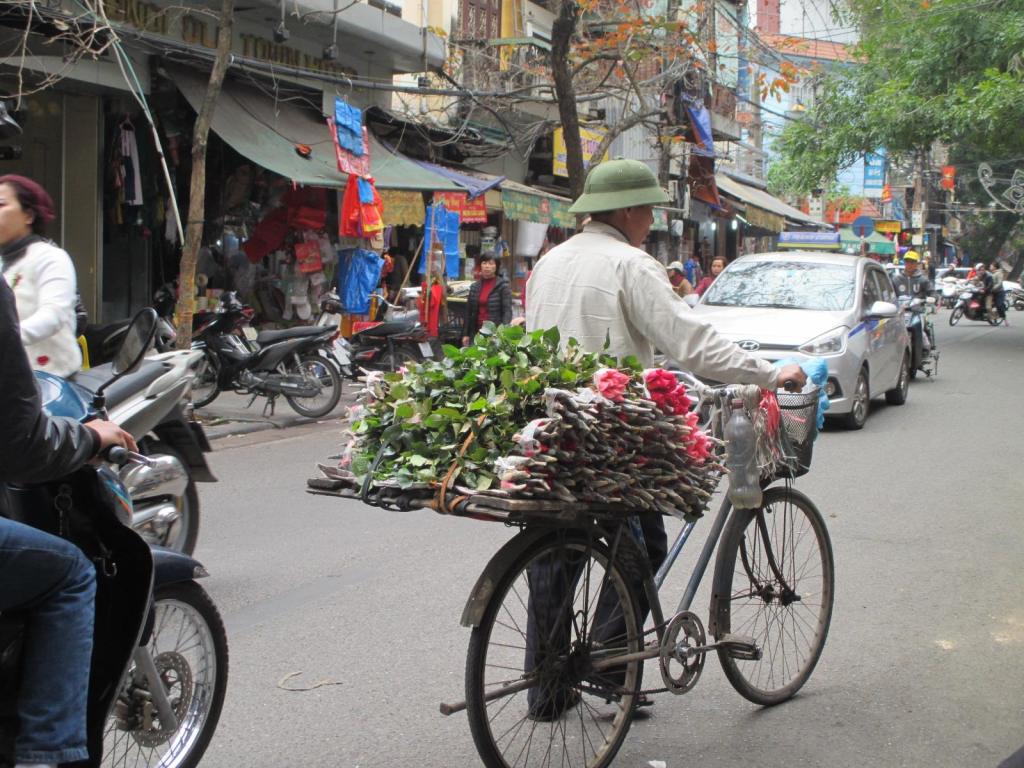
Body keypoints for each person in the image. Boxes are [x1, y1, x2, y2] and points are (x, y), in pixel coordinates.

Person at [524, 157, 806, 720]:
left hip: (549, 426)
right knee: (644, 546)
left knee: (554, 555)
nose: (651, 220)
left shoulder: (550, 261)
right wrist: (768, 373)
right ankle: (609, 666)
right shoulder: (631, 264)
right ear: (626, 210)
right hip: (611, 433)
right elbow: (690, 341)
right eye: (648, 210)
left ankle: (546, 690)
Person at [0, 276, 136, 768]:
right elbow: (22, 447)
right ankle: (48, 754)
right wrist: (91, 438)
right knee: (70, 573)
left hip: (56, 376)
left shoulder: (45, 264)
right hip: (52, 401)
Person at [0, 175, 82, 376]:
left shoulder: (50, 258)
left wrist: (9, 337)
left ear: (28, 215)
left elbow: (53, 315)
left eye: (1, 205)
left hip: (51, 379)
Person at [462, 253, 512, 345]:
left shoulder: (503, 286)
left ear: (496, 266)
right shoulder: (474, 287)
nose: (487, 266)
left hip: (495, 334)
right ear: (480, 265)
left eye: (491, 263)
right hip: (476, 333)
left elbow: (507, 312)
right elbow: (469, 312)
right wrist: (466, 334)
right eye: (484, 263)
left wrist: (502, 333)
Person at [990, 262, 1009, 326]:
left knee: (999, 305)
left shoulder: (999, 273)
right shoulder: (992, 273)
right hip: (992, 292)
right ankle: (992, 318)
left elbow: (999, 283)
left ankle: (1004, 318)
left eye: (991, 266)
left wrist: (993, 288)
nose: (990, 267)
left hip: (999, 292)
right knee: (991, 306)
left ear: (995, 267)